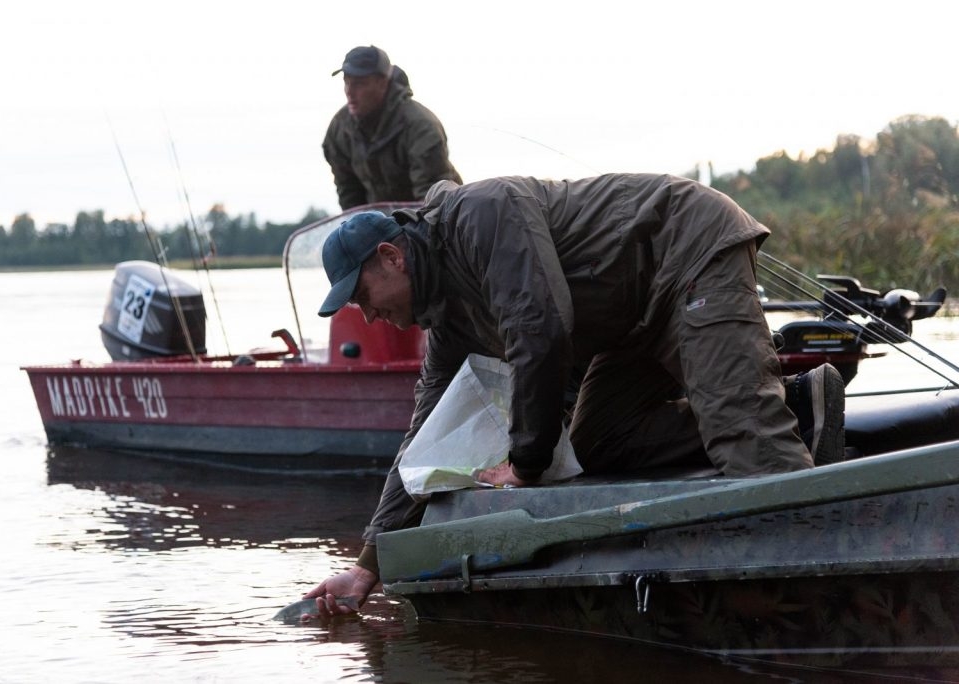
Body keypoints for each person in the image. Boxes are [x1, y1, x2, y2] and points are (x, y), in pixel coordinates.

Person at [302, 173, 846, 618]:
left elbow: (540, 332)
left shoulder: (481, 213)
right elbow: (422, 436)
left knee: (747, 443)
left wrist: (527, 464)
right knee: (599, 440)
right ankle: (800, 406)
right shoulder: (448, 323)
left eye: (363, 295)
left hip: (686, 252)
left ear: (392, 257)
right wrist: (368, 564)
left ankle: (823, 601)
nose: (369, 315)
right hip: (626, 322)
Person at [322, 45, 463, 210]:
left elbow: (434, 202)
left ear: (382, 83)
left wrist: (407, 232)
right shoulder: (339, 129)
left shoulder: (420, 126)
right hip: (382, 226)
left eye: (359, 84)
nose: (349, 91)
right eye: (346, 82)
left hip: (435, 222)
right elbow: (349, 195)